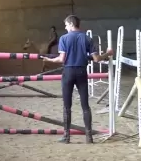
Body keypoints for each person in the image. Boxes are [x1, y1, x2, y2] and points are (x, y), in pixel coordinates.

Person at [41, 15, 113, 144]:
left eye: (66, 25)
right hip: (81, 72)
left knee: (67, 106)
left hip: (68, 72)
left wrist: (49, 60)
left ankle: (66, 136)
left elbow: (61, 59)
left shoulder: (64, 38)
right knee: (85, 106)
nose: (65, 27)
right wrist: (108, 53)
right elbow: (96, 59)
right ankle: (89, 137)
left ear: (70, 24)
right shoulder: (87, 38)